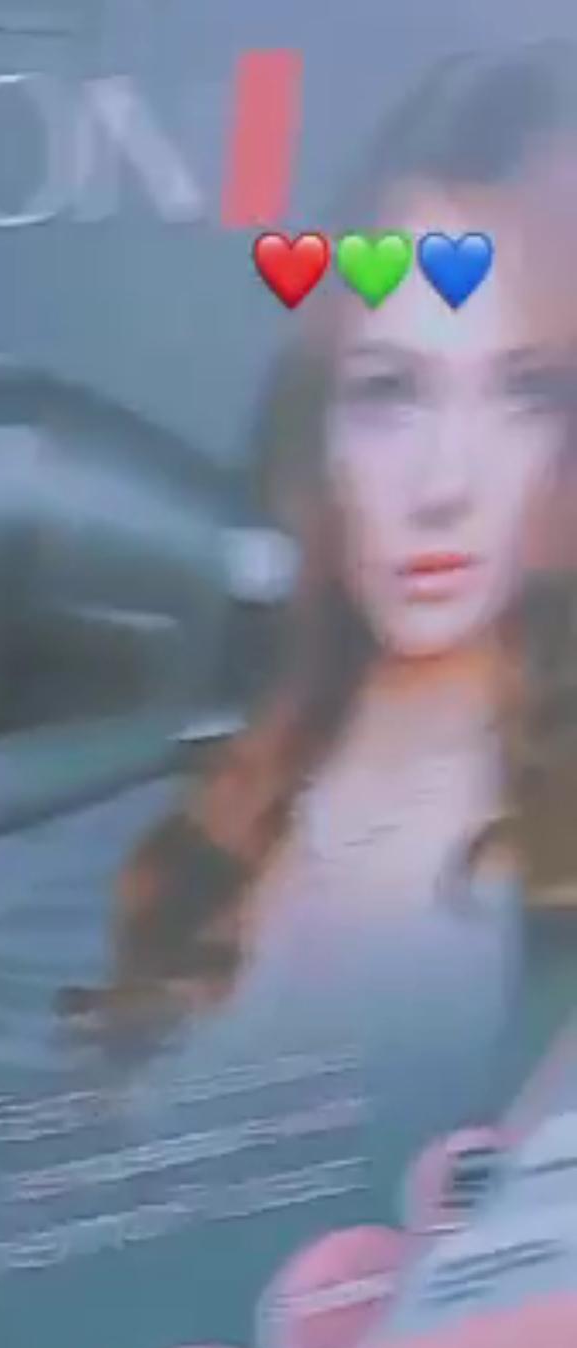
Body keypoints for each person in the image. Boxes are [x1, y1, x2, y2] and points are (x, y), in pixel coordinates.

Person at [62, 43, 577, 1081]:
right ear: (320, 416)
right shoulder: (204, 770)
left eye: (526, 392)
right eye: (391, 390)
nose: (444, 483)